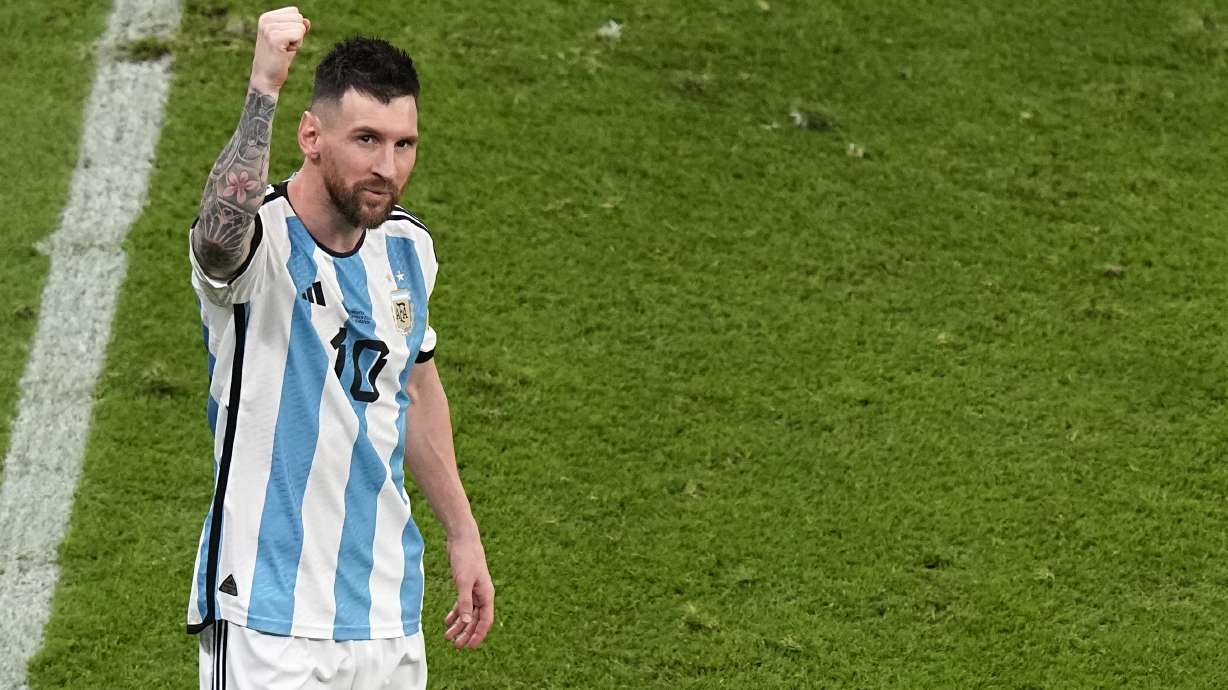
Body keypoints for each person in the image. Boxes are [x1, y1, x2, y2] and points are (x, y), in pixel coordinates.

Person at [185, 7, 494, 688]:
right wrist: (265, 84)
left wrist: (462, 532)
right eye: (366, 140)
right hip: (269, 616)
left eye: (403, 144)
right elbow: (215, 238)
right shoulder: (257, 245)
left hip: (386, 615)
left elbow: (412, 387)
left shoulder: (409, 248)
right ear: (312, 135)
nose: (387, 166)